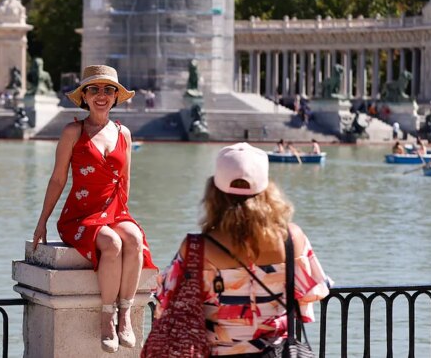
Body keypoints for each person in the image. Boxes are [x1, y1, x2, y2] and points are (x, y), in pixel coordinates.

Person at [153, 143, 333, 356]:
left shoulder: (197, 248)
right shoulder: (292, 238)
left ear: (214, 191)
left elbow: (167, 301)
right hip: (276, 352)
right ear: (267, 189)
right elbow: (313, 290)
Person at [31, 65, 156, 353]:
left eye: (108, 90)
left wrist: (126, 220)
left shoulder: (124, 133)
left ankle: (125, 313)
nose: (101, 95)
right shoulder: (73, 131)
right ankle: (106, 317)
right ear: (84, 96)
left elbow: (125, 182)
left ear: (115, 97)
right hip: (80, 215)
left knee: (134, 239)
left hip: (114, 211)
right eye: (94, 89)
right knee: (111, 243)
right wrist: (42, 223)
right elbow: (58, 178)